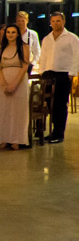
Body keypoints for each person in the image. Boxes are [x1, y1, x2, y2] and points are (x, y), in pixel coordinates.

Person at [38, 12, 79, 144]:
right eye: (53, 21)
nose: (55, 23)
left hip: (64, 73)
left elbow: (77, 56)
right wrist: (41, 72)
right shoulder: (47, 39)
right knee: (46, 103)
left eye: (58, 21)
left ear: (63, 22)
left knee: (60, 105)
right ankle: (44, 130)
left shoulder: (72, 38)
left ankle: (58, 133)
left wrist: (72, 73)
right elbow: (43, 57)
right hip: (49, 73)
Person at [0, 25, 30, 150]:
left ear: (17, 34)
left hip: (19, 80)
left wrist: (15, 83)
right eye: (8, 32)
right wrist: (3, 82)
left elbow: (25, 66)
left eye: (13, 32)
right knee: (4, 110)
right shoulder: (1, 48)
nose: (10, 34)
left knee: (18, 110)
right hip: (4, 79)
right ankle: (4, 138)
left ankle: (17, 139)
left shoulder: (24, 47)